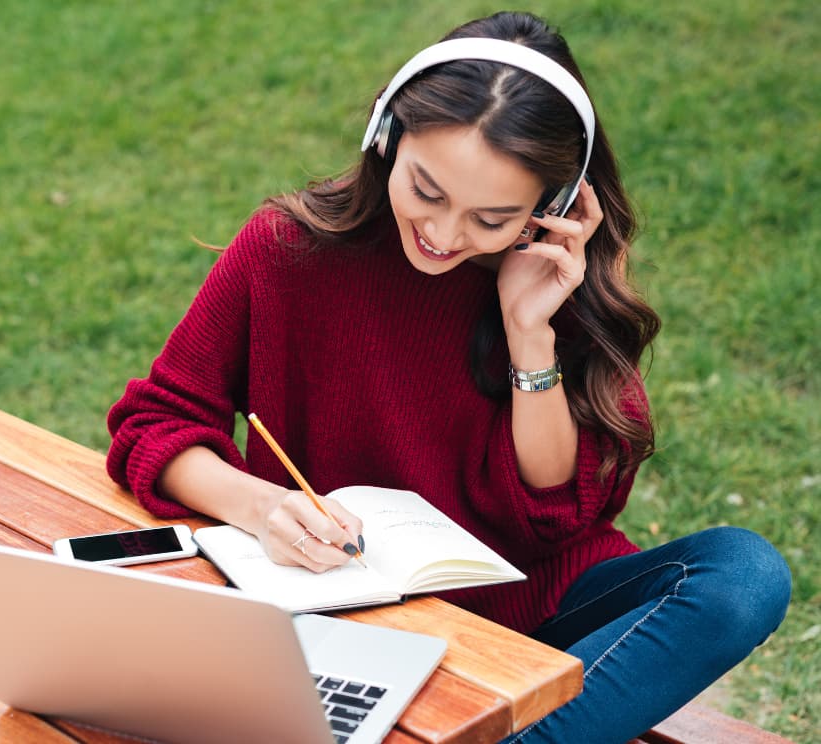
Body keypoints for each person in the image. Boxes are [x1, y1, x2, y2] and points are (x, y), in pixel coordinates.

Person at [106, 10, 791, 742]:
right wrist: (263, 507)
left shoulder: (560, 289)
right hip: (338, 612)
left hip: (532, 613)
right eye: (426, 191)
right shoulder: (286, 251)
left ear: (552, 207)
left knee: (744, 576)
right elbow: (155, 424)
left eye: (491, 218)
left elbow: (559, 513)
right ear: (385, 137)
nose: (444, 235)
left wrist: (532, 332)